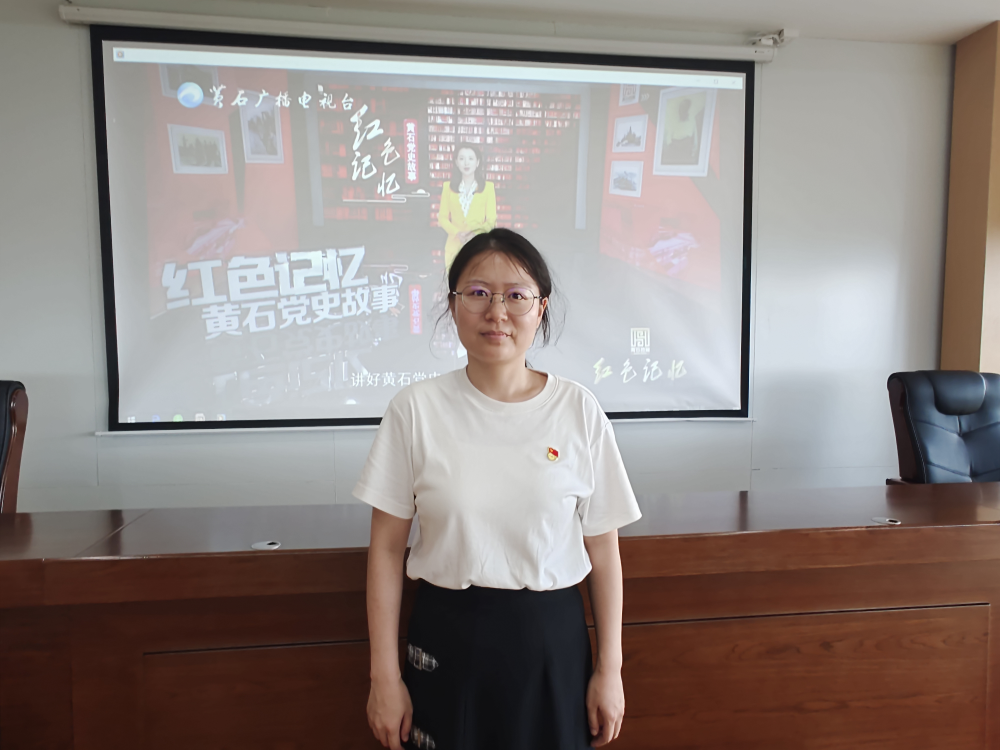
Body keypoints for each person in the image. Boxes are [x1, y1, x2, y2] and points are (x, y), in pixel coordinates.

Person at [355, 228, 642, 750]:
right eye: (478, 293)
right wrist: (384, 677)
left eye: (516, 295)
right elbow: (387, 551)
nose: (497, 312)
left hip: (551, 645)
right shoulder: (415, 410)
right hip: (447, 639)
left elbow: (604, 550)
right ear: (453, 304)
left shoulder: (578, 411)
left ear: (541, 307)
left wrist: (611, 670)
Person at [436, 143, 497, 270]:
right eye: (462, 158)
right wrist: (457, 233)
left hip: (478, 247)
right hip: (454, 248)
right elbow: (442, 218)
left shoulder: (488, 187)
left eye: (470, 158)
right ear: (456, 162)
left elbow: (491, 220)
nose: (466, 163)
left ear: (477, 162)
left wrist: (475, 234)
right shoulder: (448, 187)